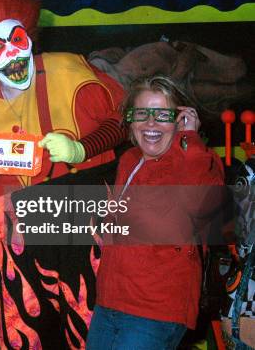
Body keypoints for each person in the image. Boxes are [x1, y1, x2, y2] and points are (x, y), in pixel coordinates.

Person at [0, 0, 126, 347]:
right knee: (24, 332)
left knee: (90, 326)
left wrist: (83, 148)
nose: (13, 55)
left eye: (17, 40)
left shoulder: (70, 71)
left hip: (79, 226)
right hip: (16, 244)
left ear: (29, 37)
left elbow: (124, 119)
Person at [87, 75, 225, 349]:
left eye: (162, 114)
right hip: (110, 302)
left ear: (180, 118)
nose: (151, 123)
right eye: (142, 113)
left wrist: (191, 139)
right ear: (130, 120)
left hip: (155, 311)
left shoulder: (195, 160)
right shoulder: (129, 160)